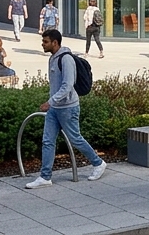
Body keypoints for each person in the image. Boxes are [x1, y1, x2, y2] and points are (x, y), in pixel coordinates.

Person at [25, 30, 108, 189]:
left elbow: (68, 85)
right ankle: (45, 176)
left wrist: (50, 101)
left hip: (68, 108)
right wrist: (52, 103)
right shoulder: (52, 58)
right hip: (54, 109)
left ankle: (98, 163)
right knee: (48, 141)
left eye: (45, 42)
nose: (43, 44)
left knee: (75, 138)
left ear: (55, 43)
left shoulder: (66, 59)